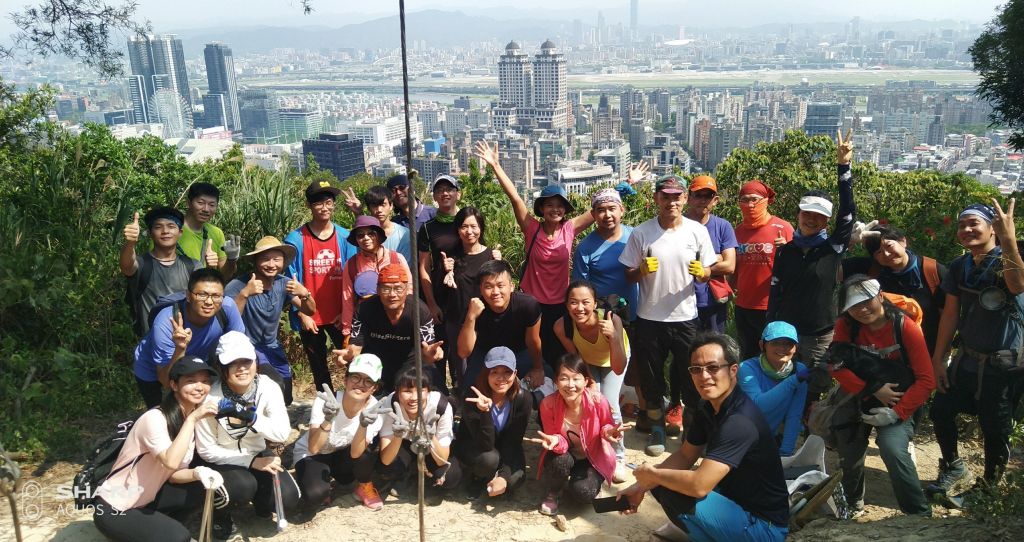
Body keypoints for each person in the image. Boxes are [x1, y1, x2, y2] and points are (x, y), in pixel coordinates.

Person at [616, 333, 790, 542]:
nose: (704, 376)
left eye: (713, 367)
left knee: (672, 489)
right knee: (663, 483)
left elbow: (699, 485)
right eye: (696, 369)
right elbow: (685, 455)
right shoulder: (707, 407)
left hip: (764, 527)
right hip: (733, 502)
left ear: (733, 370)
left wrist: (653, 476)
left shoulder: (739, 422)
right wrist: (641, 485)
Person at [929, 200, 1024, 504]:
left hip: (1003, 365)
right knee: (941, 410)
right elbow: (950, 315)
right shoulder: (960, 267)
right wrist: (938, 359)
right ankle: (954, 467)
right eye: (962, 225)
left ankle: (988, 490)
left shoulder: (1011, 259)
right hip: (967, 360)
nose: (966, 229)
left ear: (992, 229)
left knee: (995, 429)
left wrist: (1009, 241)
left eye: (974, 223)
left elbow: (1017, 284)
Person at [476, 140, 597, 371]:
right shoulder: (532, 228)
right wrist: (495, 166)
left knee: (559, 350)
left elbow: (598, 209)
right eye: (549, 205)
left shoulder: (569, 229)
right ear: (541, 208)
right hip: (532, 302)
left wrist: (627, 183)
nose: (555, 209)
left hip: (561, 303)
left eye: (560, 206)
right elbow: (515, 198)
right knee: (531, 349)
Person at [619, 174, 716, 455]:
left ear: (684, 199)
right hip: (650, 318)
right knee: (651, 379)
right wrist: (641, 271)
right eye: (666, 196)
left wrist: (703, 274)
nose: (671, 201)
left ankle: (691, 431)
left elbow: (708, 269)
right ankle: (657, 428)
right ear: (656, 199)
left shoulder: (696, 231)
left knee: (691, 377)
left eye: (677, 196)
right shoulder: (642, 233)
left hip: (685, 318)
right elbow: (628, 273)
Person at [829, 276, 934, 516]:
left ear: (880, 297)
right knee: (849, 444)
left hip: (899, 399)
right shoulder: (847, 325)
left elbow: (927, 380)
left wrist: (896, 412)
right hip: (859, 395)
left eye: (867, 301)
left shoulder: (904, 326)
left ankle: (918, 513)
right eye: (854, 305)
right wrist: (871, 389)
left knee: (892, 447)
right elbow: (834, 364)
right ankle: (852, 503)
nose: (862, 309)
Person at [92, 357, 222, 542]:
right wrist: (193, 419)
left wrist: (198, 473)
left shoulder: (186, 419)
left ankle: (158, 531)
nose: (200, 387)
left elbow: (172, 474)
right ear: (174, 385)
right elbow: (170, 460)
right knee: (179, 537)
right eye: (191, 381)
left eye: (205, 381)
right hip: (115, 508)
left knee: (201, 489)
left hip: (146, 501)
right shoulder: (155, 418)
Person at [768, 129, 857, 396]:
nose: (812, 220)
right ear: (798, 214)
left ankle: (811, 430)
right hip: (786, 332)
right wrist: (769, 326)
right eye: (807, 213)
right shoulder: (786, 251)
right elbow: (776, 291)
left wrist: (844, 168)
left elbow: (848, 213)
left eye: (819, 216)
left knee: (816, 385)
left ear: (826, 221)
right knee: (784, 383)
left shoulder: (832, 248)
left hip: (819, 333)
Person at [195, 331, 297, 539]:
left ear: (256, 362)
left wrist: (252, 419)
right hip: (222, 459)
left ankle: (261, 501)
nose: (242, 367)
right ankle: (220, 515)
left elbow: (281, 432)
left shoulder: (268, 387)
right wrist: (250, 462)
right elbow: (206, 450)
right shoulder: (211, 398)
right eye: (233, 363)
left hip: (257, 451)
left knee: (289, 498)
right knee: (242, 486)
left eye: (246, 361)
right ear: (222, 369)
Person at [284, 179, 358, 393]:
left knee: (352, 361)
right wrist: (301, 313)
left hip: (339, 315)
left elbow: (353, 276)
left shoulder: (345, 237)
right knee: (319, 367)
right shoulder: (296, 239)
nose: (324, 207)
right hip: (311, 315)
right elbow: (291, 282)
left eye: (328, 202)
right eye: (318, 203)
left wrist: (346, 311)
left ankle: (354, 401)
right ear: (309, 206)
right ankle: (327, 405)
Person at [133, 268, 245, 408]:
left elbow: (239, 349)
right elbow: (167, 381)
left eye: (216, 296)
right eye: (202, 295)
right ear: (188, 296)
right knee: (164, 415)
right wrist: (180, 347)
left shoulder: (227, 307)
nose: (209, 302)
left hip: (196, 363)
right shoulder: (167, 321)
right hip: (153, 368)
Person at [553, 280, 630, 481]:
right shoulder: (562, 326)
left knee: (608, 401)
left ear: (595, 303)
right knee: (588, 396)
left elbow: (619, 366)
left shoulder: (612, 321)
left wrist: (613, 337)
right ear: (566, 304)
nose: (579, 308)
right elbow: (576, 359)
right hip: (588, 362)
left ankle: (618, 456)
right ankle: (591, 446)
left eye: (586, 302)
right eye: (573, 302)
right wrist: (590, 381)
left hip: (615, 359)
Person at [225, 236, 315, 406]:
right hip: (247, 346)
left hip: (272, 346)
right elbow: (227, 320)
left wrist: (305, 294)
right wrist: (245, 294)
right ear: (256, 261)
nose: (271, 264)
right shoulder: (238, 285)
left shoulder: (284, 283)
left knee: (287, 391)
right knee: (275, 384)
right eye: (265, 259)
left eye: (276, 259)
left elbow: (310, 310)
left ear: (283, 262)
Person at [533, 353, 625, 516]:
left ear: (586, 381)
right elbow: (553, 435)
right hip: (565, 454)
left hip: (592, 457)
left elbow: (606, 426)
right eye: (564, 378)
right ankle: (553, 493)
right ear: (556, 381)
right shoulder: (548, 404)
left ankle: (589, 481)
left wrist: (609, 433)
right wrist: (555, 440)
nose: (570, 385)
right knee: (559, 459)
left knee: (583, 493)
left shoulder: (598, 401)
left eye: (576, 378)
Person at [294, 354, 387, 512]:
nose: (360, 384)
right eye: (355, 377)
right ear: (345, 380)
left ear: (375, 387)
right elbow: (314, 448)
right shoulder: (327, 401)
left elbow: (357, 453)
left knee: (364, 456)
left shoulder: (375, 410)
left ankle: (364, 486)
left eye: (368, 380)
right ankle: (310, 479)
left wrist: (363, 425)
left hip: (342, 453)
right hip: (311, 454)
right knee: (316, 494)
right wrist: (328, 419)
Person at [336, 263, 443, 394]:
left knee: (441, 398)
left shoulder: (419, 311)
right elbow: (356, 346)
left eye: (398, 288)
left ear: (406, 289)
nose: (392, 294)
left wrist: (430, 355)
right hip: (375, 362)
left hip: (409, 362)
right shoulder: (365, 309)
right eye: (386, 289)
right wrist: (349, 354)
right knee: (359, 395)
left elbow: (426, 352)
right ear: (378, 289)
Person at [842, 225, 947, 354]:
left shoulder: (932, 271)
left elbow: (947, 318)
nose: (886, 254)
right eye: (878, 252)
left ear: (903, 241)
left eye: (889, 246)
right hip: (886, 354)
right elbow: (823, 270)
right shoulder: (871, 269)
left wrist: (940, 356)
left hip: (929, 350)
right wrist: (846, 242)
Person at [457, 260, 547, 393]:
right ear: (481, 289)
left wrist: (538, 368)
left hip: (519, 352)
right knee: (470, 393)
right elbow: (464, 352)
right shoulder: (474, 308)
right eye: (488, 286)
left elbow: (533, 341)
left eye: (500, 285)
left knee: (544, 381)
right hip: (485, 354)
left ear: (511, 286)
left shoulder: (528, 305)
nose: (495, 292)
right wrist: (471, 317)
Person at [456, 347, 534, 500]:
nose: (501, 378)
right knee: (489, 459)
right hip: (477, 445)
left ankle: (497, 477)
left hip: (505, 446)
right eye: (495, 372)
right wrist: (485, 413)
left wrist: (504, 476)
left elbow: (514, 441)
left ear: (515, 374)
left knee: (514, 482)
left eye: (507, 372)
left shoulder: (523, 399)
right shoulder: (472, 397)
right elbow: (485, 444)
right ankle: (477, 478)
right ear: (486, 373)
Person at [439, 206, 501, 387]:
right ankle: (463, 399)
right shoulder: (450, 257)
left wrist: (498, 264)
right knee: (461, 366)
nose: (469, 232)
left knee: (484, 364)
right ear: (457, 230)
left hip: (484, 321)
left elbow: (500, 288)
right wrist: (446, 271)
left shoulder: (491, 256)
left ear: (481, 228)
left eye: (474, 226)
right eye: (464, 227)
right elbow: (443, 290)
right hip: (456, 319)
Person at [378, 364, 463, 496]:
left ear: (428, 391)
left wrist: (431, 436)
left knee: (451, 477)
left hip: (431, 446)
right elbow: (386, 459)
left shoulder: (441, 406)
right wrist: (398, 435)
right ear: (397, 391)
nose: (413, 398)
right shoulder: (391, 404)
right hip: (404, 442)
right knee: (387, 468)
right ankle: (409, 473)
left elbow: (442, 459)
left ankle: (427, 479)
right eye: (407, 391)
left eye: (420, 390)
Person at [733, 180, 794, 360]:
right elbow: (734, 268)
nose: (750, 205)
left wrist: (787, 248)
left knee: (773, 355)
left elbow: (798, 265)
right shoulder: (737, 232)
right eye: (745, 200)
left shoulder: (783, 228)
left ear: (766, 200)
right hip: (743, 305)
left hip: (772, 305)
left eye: (755, 199)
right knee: (748, 354)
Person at [417, 173, 464, 392]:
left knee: (461, 352)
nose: (445, 193)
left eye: (450, 189)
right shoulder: (428, 228)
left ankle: (460, 394)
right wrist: (431, 304)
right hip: (439, 298)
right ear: (434, 196)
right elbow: (423, 268)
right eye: (440, 190)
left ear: (458, 194)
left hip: (463, 297)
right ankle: (439, 395)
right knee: (438, 351)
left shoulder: (467, 223)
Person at [121, 206, 198, 336]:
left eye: (171, 226)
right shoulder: (142, 264)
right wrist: (130, 243)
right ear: (150, 233)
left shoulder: (192, 265)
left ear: (180, 233)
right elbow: (126, 266)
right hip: (151, 345)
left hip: (187, 342)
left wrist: (212, 269)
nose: (165, 231)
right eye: (158, 227)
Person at [737, 321, 808, 457]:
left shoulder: (799, 370)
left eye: (788, 343)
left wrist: (786, 453)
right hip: (740, 436)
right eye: (775, 342)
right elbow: (758, 405)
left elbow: (794, 414)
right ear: (762, 345)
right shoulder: (746, 368)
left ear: (795, 348)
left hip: (769, 437)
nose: (782, 348)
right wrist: (793, 381)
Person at [339, 215, 412, 338]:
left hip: (397, 320)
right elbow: (347, 298)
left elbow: (409, 289)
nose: (366, 238)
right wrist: (347, 330)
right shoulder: (351, 265)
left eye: (371, 233)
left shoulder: (397, 258)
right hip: (367, 323)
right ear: (356, 240)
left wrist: (407, 319)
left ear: (378, 235)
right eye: (360, 235)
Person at [684, 175, 738, 335]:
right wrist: (717, 257)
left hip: (712, 301)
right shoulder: (678, 225)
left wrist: (700, 264)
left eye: (708, 196)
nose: (703, 200)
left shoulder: (723, 226)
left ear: (715, 200)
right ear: (688, 198)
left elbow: (730, 266)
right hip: (682, 302)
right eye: (698, 195)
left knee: (714, 347)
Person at [176, 182, 240, 276]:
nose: (206, 209)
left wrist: (232, 259)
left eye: (212, 205)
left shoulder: (216, 233)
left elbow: (224, 276)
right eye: (200, 203)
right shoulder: (170, 231)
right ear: (188, 203)